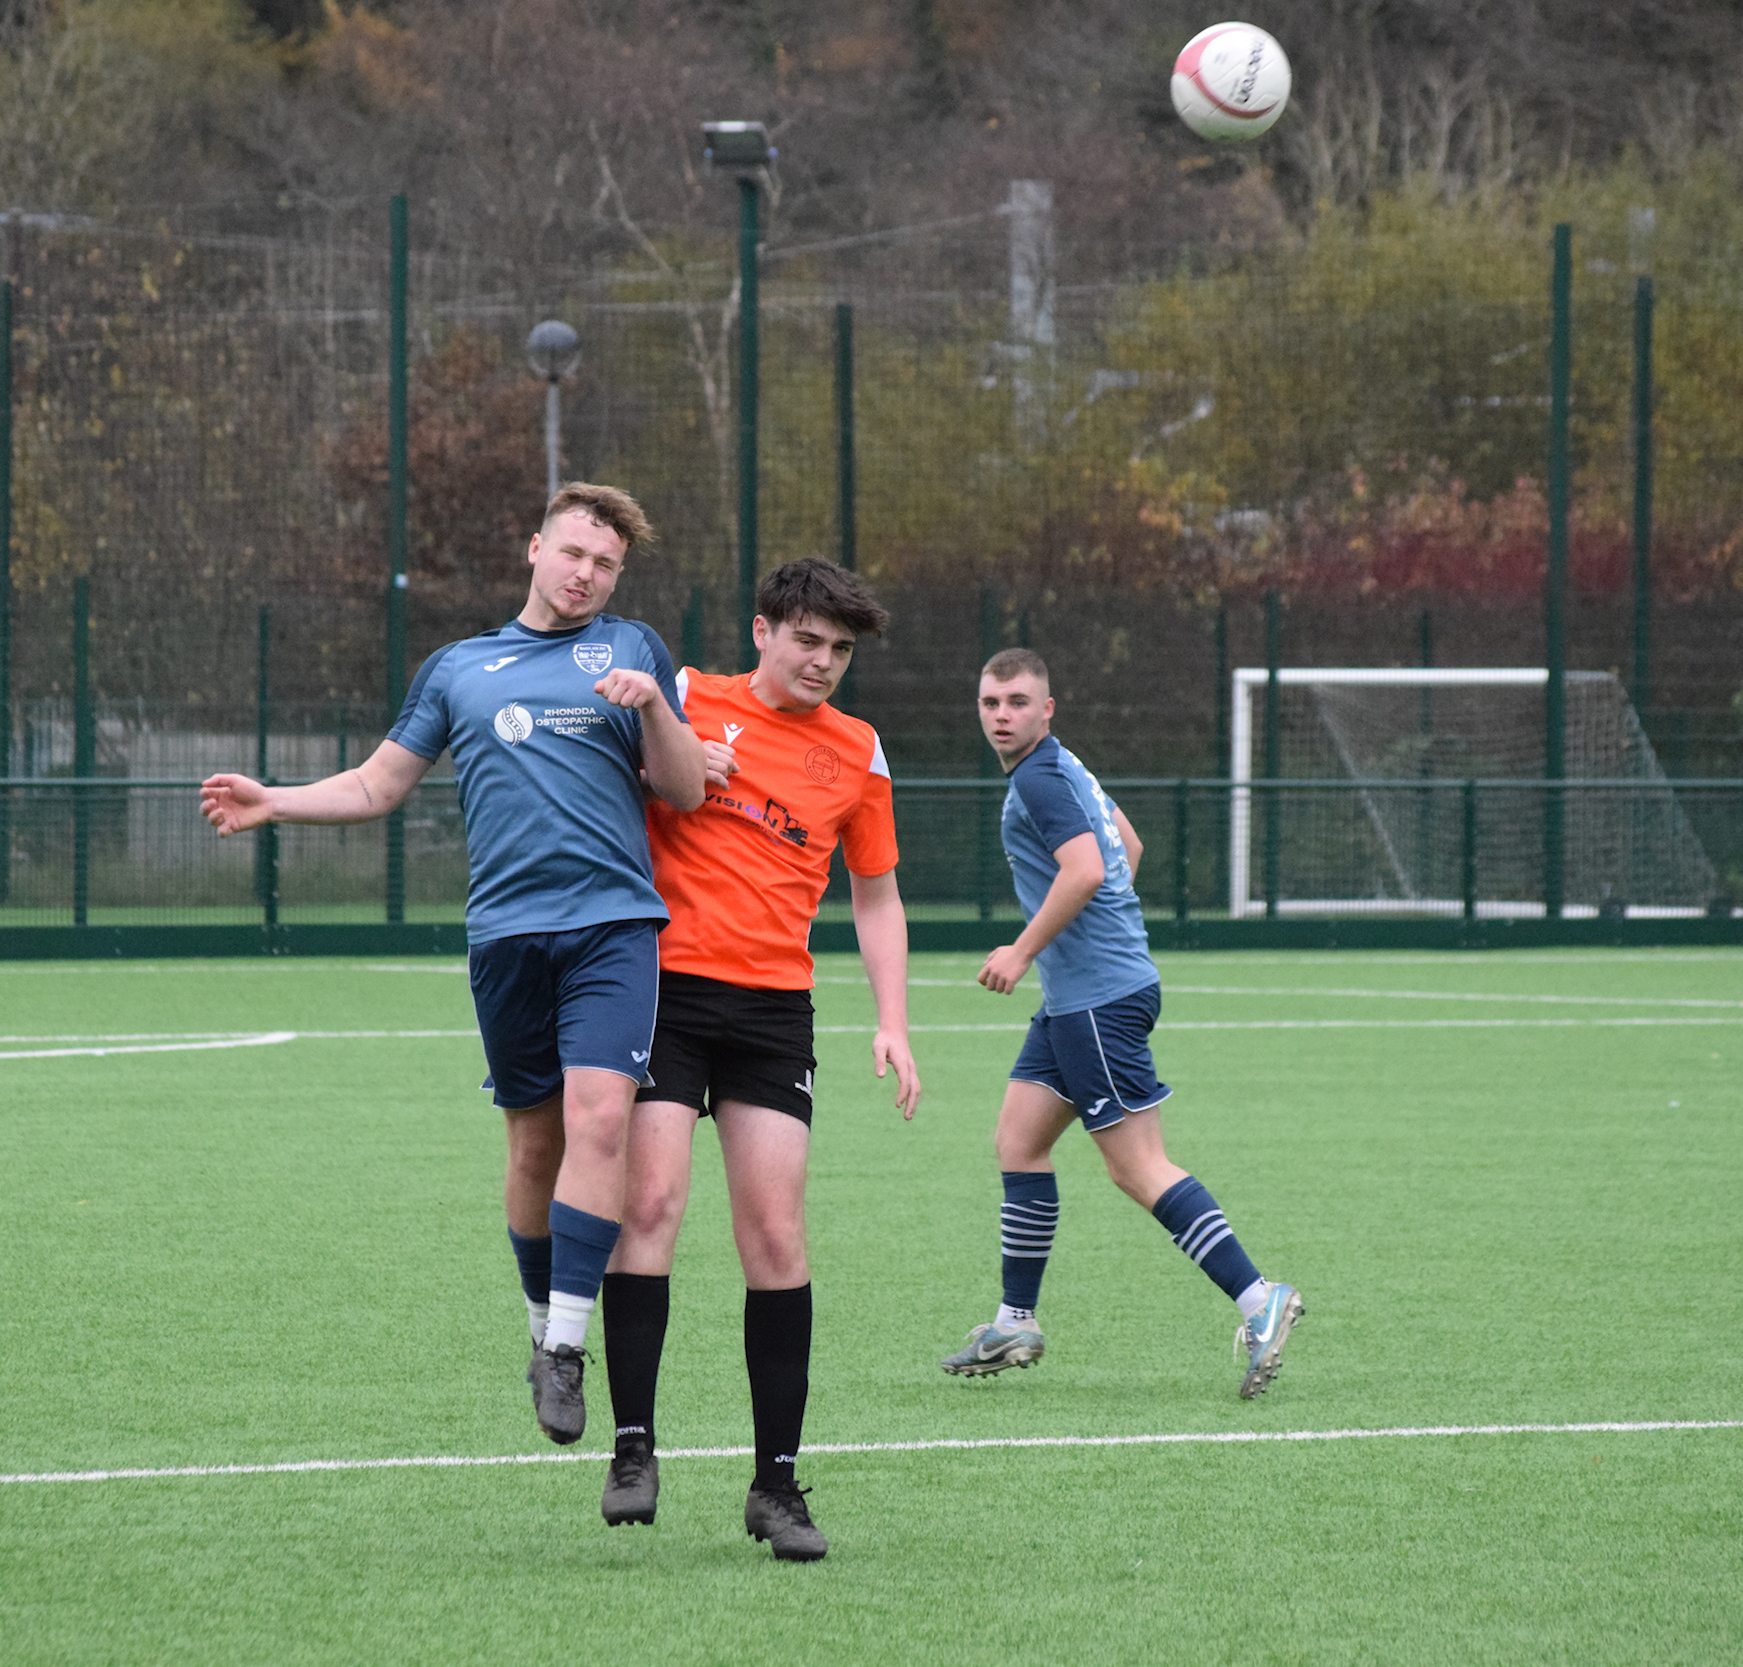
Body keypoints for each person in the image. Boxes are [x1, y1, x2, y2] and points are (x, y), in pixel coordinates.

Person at [200, 483, 706, 1447]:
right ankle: (539, 1326)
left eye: (605, 564)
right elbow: (375, 784)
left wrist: (653, 707)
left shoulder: (633, 650)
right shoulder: (458, 668)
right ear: (535, 549)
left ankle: (568, 1349)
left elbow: (682, 791)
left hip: (614, 927)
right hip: (507, 936)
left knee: (603, 1117)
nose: (587, 574)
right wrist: (276, 801)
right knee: (533, 1147)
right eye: (573, 553)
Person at [596, 559, 920, 1562]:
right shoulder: (686, 695)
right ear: (763, 630)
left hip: (775, 1009)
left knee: (776, 1235)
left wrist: (893, 1019)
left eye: (840, 649)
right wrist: (666, 757)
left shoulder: (858, 750)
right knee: (651, 1206)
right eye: (807, 640)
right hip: (663, 990)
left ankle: (776, 1486)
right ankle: (633, 1446)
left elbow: (875, 893)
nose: (822, 662)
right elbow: (599, 782)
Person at [939, 647, 1303, 1398]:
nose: (1001, 715)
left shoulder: (1039, 778)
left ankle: (1259, 1297)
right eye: (990, 702)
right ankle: (1015, 1320)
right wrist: (1092, 939)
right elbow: (1127, 847)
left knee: (1136, 1166)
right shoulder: (1065, 766)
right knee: (1019, 1141)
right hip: (1080, 998)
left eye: (1017, 701)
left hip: (1098, 1003)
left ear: (1046, 708)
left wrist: (1024, 949)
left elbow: (1088, 870)